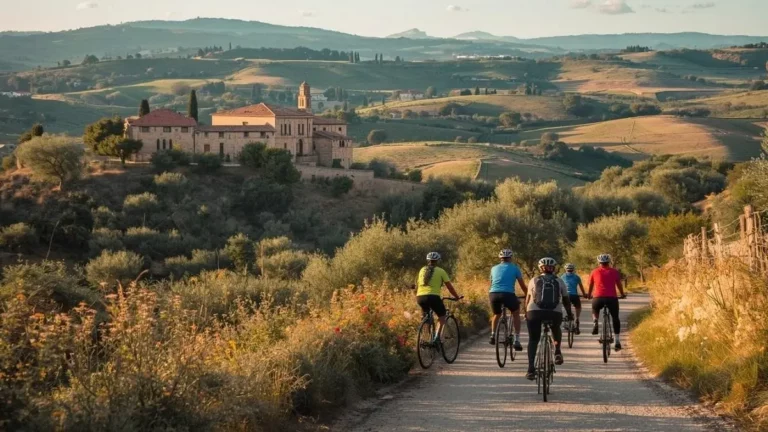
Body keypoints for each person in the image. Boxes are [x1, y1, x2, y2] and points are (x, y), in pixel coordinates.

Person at [524, 257, 573, 380]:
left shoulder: (533, 280)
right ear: (554, 268)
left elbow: (528, 300)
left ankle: (530, 369)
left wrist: (526, 313)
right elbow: (566, 300)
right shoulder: (559, 281)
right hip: (554, 312)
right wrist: (570, 314)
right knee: (556, 328)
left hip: (534, 312)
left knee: (533, 339)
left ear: (540, 268)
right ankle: (557, 351)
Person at [416, 252, 462, 342]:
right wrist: (456, 297)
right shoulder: (441, 271)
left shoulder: (422, 270)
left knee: (426, 316)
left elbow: (418, 285)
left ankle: (425, 338)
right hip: (433, 297)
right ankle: (436, 338)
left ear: (428, 261)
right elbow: (450, 287)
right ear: (437, 261)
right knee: (442, 317)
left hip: (420, 297)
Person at [488, 249, 528, 351]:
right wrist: (527, 294)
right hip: (508, 294)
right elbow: (522, 285)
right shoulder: (515, 268)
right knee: (515, 313)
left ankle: (492, 335)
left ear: (500, 258)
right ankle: (517, 340)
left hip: (493, 294)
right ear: (510, 258)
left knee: (496, 314)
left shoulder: (493, 268)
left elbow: (491, 283)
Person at [587, 254, 627, 351]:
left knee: (594, 309)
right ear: (609, 262)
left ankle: (595, 321)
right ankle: (617, 341)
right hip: (611, 298)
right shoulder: (614, 272)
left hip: (598, 298)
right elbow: (619, 285)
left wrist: (588, 295)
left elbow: (591, 285)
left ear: (599, 263)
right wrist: (622, 294)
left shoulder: (594, 272)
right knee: (615, 318)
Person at [560, 263, 587, 334]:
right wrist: (584, 294)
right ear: (573, 270)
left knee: (566, 306)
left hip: (565, 296)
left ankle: (568, 316)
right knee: (578, 307)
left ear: (566, 270)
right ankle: (577, 318)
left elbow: (560, 286)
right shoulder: (577, 277)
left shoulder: (562, 276)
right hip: (574, 295)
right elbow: (581, 287)